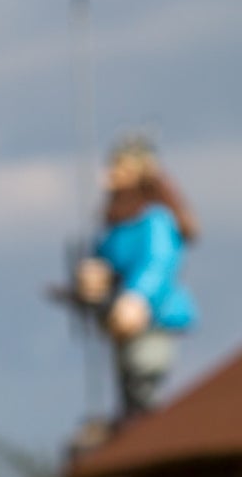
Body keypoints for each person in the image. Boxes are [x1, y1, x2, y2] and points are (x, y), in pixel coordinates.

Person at [73, 134, 198, 419]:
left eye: (118, 167)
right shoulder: (116, 224)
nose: (110, 174)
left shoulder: (155, 220)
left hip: (150, 319)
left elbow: (157, 263)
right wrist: (92, 279)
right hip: (118, 324)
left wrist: (136, 298)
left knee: (145, 385)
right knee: (129, 396)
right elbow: (102, 259)